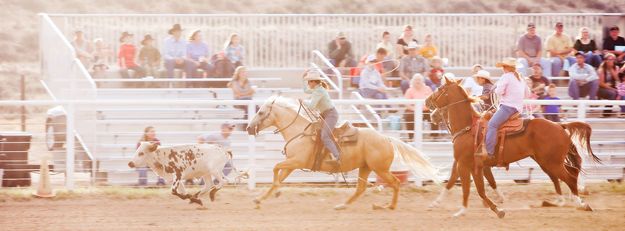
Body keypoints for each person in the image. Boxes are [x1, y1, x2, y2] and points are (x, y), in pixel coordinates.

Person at [477, 57, 530, 160]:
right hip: (517, 109)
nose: (502, 68)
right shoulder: (520, 78)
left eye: (503, 67)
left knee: (492, 125)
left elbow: (499, 92)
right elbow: (527, 94)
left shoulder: (506, 77)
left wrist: (498, 89)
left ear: (505, 67)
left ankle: (489, 152)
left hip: (507, 108)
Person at [301, 71, 340, 166]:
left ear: (314, 82)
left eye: (309, 81)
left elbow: (311, 106)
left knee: (324, 136)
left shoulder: (318, 91)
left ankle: (337, 156)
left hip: (330, 115)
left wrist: (303, 101)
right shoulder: (317, 89)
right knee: (319, 134)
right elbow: (306, 91)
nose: (308, 84)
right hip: (326, 115)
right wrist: (303, 79)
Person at [403, 74, 435, 140]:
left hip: (426, 109)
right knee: (408, 115)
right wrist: (415, 109)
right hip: (413, 110)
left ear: (422, 81)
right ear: (412, 81)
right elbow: (406, 104)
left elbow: (432, 100)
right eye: (416, 80)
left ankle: (434, 135)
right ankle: (411, 136)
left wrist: (427, 107)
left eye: (419, 80)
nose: (417, 81)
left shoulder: (428, 88)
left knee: (435, 114)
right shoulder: (409, 90)